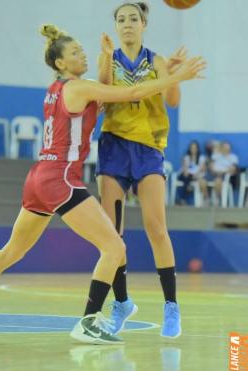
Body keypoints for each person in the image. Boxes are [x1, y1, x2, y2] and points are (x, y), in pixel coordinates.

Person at [0, 24, 205, 345]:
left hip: (38, 178)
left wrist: (125, 62)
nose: (83, 55)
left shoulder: (57, 88)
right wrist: (176, 78)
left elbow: (106, 99)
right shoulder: (80, 87)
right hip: (61, 178)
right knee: (114, 247)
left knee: (12, 251)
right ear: (61, 63)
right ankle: (89, 320)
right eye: (76, 52)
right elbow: (132, 93)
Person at [96, 2, 205, 338]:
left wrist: (172, 75)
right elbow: (102, 100)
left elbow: (173, 101)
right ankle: (121, 303)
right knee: (112, 234)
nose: (127, 24)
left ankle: (172, 307)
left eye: (133, 19)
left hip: (149, 149)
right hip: (114, 147)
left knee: (156, 227)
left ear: (144, 24)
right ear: (115, 26)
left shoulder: (157, 60)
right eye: (121, 19)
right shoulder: (108, 58)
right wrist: (105, 59)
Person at [177, 141, 207, 205]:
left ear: (197, 149)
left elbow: (202, 168)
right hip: (186, 175)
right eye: (192, 148)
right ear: (190, 149)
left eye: (195, 148)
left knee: (191, 179)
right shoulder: (186, 157)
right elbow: (185, 168)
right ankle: (185, 192)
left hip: (196, 176)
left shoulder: (201, 158)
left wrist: (195, 175)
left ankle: (182, 199)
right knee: (186, 176)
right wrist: (188, 173)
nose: (193, 149)